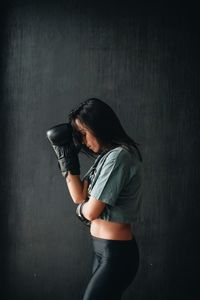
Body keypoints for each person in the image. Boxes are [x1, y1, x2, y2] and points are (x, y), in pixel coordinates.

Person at [46, 98, 143, 300]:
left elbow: (90, 211)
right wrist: (66, 158)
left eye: (83, 134)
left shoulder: (119, 156)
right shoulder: (105, 157)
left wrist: (81, 211)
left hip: (116, 254)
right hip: (101, 249)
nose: (82, 141)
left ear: (99, 126)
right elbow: (79, 196)